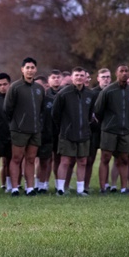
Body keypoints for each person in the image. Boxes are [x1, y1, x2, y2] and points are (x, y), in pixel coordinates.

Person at [94, 64, 129, 193]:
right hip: (109, 130)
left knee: (124, 159)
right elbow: (98, 110)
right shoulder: (108, 91)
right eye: (121, 71)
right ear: (116, 74)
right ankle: (103, 187)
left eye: (126, 71)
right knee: (105, 158)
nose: (124, 73)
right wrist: (108, 123)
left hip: (126, 131)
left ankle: (124, 188)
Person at [4, 57, 45, 196]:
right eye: (27, 67)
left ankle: (30, 188)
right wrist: (16, 123)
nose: (30, 70)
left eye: (32, 67)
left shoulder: (39, 88)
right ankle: (15, 188)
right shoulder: (15, 87)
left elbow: (42, 109)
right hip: (19, 130)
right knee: (16, 159)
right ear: (22, 69)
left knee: (31, 159)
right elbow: (7, 109)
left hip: (35, 130)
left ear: (36, 69)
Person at [51, 67, 95, 196]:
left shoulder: (90, 94)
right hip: (67, 133)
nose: (79, 77)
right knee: (65, 161)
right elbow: (55, 114)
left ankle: (81, 190)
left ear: (85, 77)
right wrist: (65, 126)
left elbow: (90, 113)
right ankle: (60, 189)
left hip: (84, 133)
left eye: (82, 75)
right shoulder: (63, 93)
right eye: (77, 75)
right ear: (72, 77)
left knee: (82, 161)